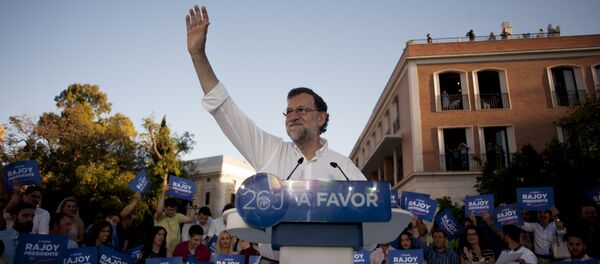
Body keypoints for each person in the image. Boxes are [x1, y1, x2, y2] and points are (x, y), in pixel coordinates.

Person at [186, 5, 367, 182]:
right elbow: (223, 107)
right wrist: (198, 54)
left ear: (321, 118)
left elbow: (374, 204)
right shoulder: (271, 151)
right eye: (289, 111)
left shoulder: (344, 168)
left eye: (302, 110)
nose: (293, 116)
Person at [154, 184, 194, 252]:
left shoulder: (177, 216)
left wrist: (194, 204)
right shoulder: (159, 216)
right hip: (161, 250)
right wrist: (163, 192)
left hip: (175, 251)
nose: (172, 212)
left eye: (173, 209)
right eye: (169, 209)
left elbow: (191, 219)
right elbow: (159, 210)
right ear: (165, 208)